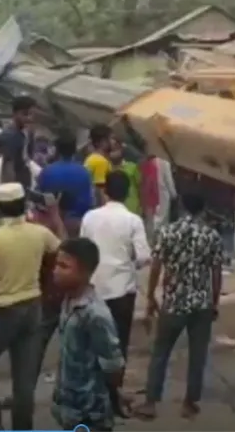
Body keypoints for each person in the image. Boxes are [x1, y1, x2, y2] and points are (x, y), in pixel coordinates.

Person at [0, 182, 61, 431]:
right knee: (24, 378)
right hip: (32, 307)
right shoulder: (39, 233)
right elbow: (61, 251)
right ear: (23, 204)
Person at [134, 191, 223, 421]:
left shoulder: (167, 232)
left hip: (174, 303)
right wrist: (214, 302)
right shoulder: (211, 235)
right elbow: (216, 273)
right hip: (201, 303)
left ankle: (151, 402)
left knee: (161, 351)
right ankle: (190, 403)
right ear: (203, 209)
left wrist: (151, 296)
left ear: (182, 206)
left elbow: (156, 266)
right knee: (198, 354)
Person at [79, 170, 151, 415]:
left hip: (94, 290)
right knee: (118, 348)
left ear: (105, 190)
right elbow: (143, 258)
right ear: (128, 192)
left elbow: (83, 249)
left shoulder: (89, 218)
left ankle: (94, 397)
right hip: (122, 291)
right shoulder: (133, 221)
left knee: (92, 347)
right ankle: (114, 398)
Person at [51, 237, 125, 432]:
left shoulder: (95, 314)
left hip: (90, 415)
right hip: (70, 408)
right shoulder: (68, 300)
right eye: (56, 264)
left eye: (64, 266)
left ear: (85, 272)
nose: (55, 271)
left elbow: (114, 367)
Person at [38, 132, 93, 238]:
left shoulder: (47, 171)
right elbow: (89, 201)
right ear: (74, 149)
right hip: (76, 224)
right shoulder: (84, 172)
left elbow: (41, 200)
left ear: (57, 150)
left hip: (51, 224)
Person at [0, 96, 38, 189]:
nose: (29, 118)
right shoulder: (10, 136)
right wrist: (10, 189)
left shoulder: (27, 132)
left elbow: (28, 155)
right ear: (14, 114)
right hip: (13, 182)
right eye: (25, 114)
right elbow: (8, 165)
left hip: (24, 176)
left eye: (32, 114)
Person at [108, 139, 142, 216]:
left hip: (133, 208)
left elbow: (140, 186)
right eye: (111, 150)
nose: (114, 152)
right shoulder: (107, 169)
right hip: (114, 211)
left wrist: (141, 206)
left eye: (116, 149)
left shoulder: (132, 167)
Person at [84, 125, 114, 197]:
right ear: (99, 142)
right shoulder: (100, 161)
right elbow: (100, 191)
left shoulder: (92, 158)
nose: (113, 142)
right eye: (110, 139)